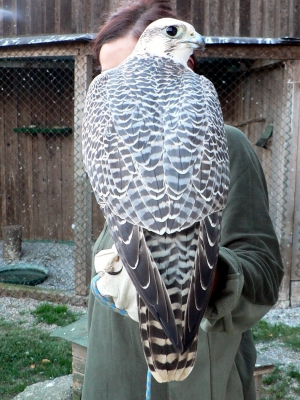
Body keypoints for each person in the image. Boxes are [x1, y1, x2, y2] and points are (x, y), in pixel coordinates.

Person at [82, 1, 284, 399]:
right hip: (113, 375)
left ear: (187, 67)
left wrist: (202, 279)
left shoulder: (226, 143)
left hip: (201, 381)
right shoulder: (113, 137)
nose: (125, 90)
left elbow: (263, 273)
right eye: (112, 77)